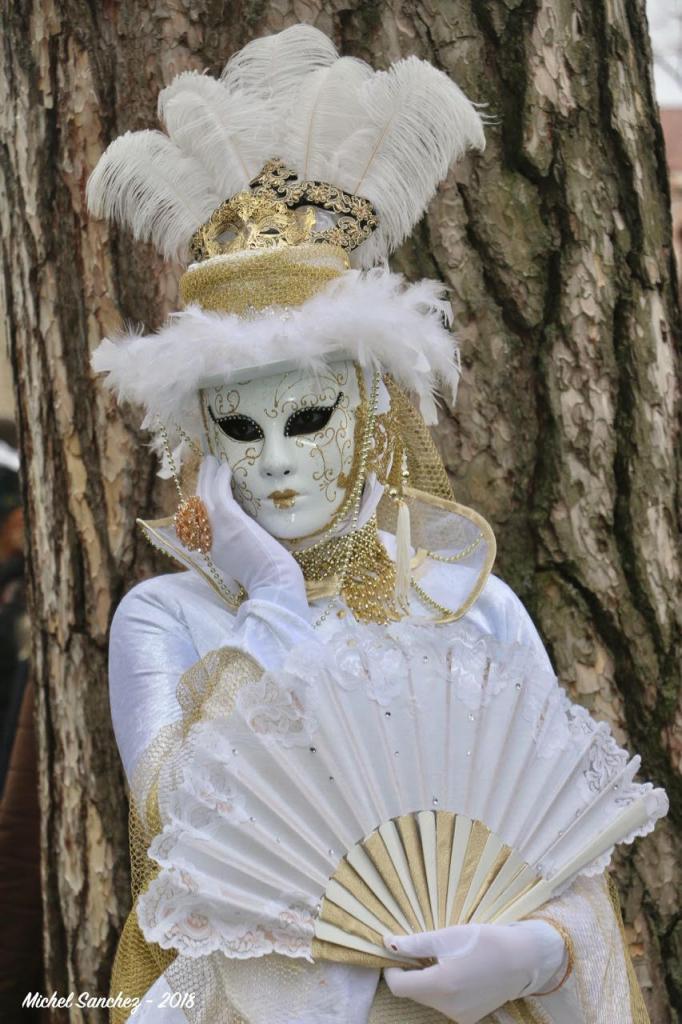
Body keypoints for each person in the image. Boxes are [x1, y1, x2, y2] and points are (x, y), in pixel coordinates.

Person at [87, 25, 662, 1024]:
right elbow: (172, 835)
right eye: (242, 425)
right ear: (204, 435)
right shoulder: (164, 620)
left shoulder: (467, 605)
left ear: (368, 409)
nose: (273, 458)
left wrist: (531, 954)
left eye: (307, 416)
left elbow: (565, 860)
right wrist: (267, 598)